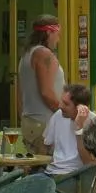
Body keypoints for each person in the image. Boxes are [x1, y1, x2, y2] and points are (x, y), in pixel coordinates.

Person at [17, 15, 64, 154]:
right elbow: (46, 93)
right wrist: (67, 112)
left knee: (35, 170)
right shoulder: (44, 55)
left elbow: (19, 94)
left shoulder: (26, 54)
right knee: (47, 170)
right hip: (44, 124)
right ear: (49, 32)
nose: (58, 40)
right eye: (58, 34)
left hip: (31, 121)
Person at [43, 83, 93, 175]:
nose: (60, 106)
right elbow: (46, 147)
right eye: (61, 101)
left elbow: (88, 163)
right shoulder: (58, 115)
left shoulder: (93, 123)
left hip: (73, 175)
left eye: (65, 104)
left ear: (80, 108)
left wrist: (79, 128)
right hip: (51, 171)